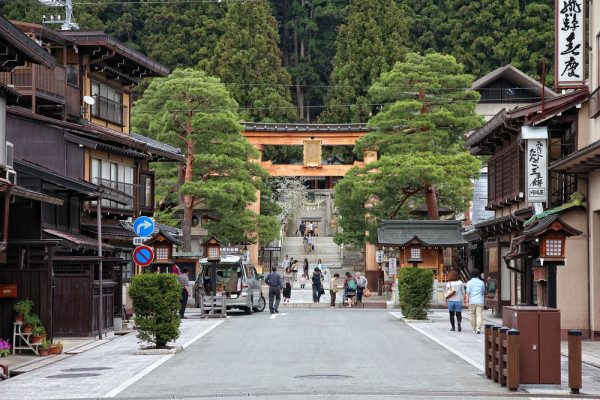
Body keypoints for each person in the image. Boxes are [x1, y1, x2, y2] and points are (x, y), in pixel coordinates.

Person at [465, 268, 486, 334]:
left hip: (472, 301)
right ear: (478, 274)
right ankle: (478, 328)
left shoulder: (469, 283)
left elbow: (468, 292)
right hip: (480, 300)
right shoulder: (481, 282)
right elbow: (483, 291)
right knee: (479, 315)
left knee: (472, 315)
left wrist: (467, 301)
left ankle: (473, 328)